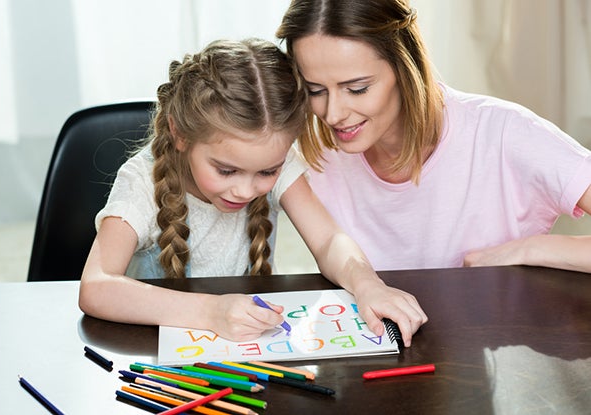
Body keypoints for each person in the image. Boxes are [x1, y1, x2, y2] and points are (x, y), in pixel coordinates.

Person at [79, 38, 427, 346]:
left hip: (249, 349)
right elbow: (96, 285)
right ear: (179, 133)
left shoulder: (278, 157)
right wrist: (212, 312)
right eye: (226, 170)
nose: (246, 189)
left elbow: (327, 240)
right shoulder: (141, 181)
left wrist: (366, 283)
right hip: (162, 360)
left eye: (267, 171)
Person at [276, 0, 591, 273]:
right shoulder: (310, 158)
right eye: (315, 90)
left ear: (404, 67)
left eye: (357, 88)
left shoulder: (505, 133)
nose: (333, 114)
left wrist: (529, 250)